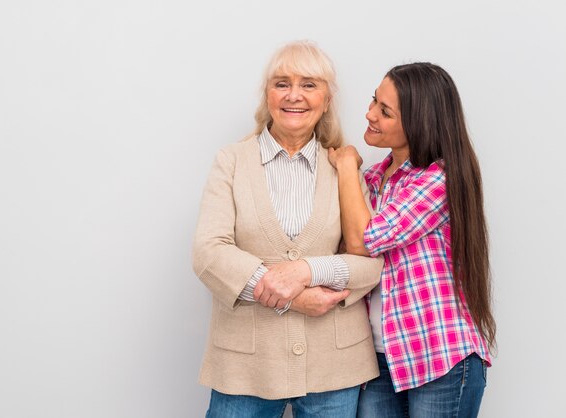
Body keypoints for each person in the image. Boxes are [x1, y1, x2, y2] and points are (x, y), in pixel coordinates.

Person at [192, 40, 384, 417]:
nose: (294, 95)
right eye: (282, 83)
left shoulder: (343, 168)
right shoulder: (231, 162)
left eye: (309, 85)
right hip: (245, 368)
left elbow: (371, 263)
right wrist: (293, 299)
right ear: (267, 95)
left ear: (327, 100)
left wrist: (306, 270)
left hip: (335, 367)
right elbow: (208, 253)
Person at [328, 62, 496, 417]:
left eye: (385, 111)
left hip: (439, 358)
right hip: (377, 360)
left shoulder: (439, 179)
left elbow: (363, 240)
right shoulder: (372, 179)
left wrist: (345, 165)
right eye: (375, 100)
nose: (369, 113)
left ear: (419, 123)